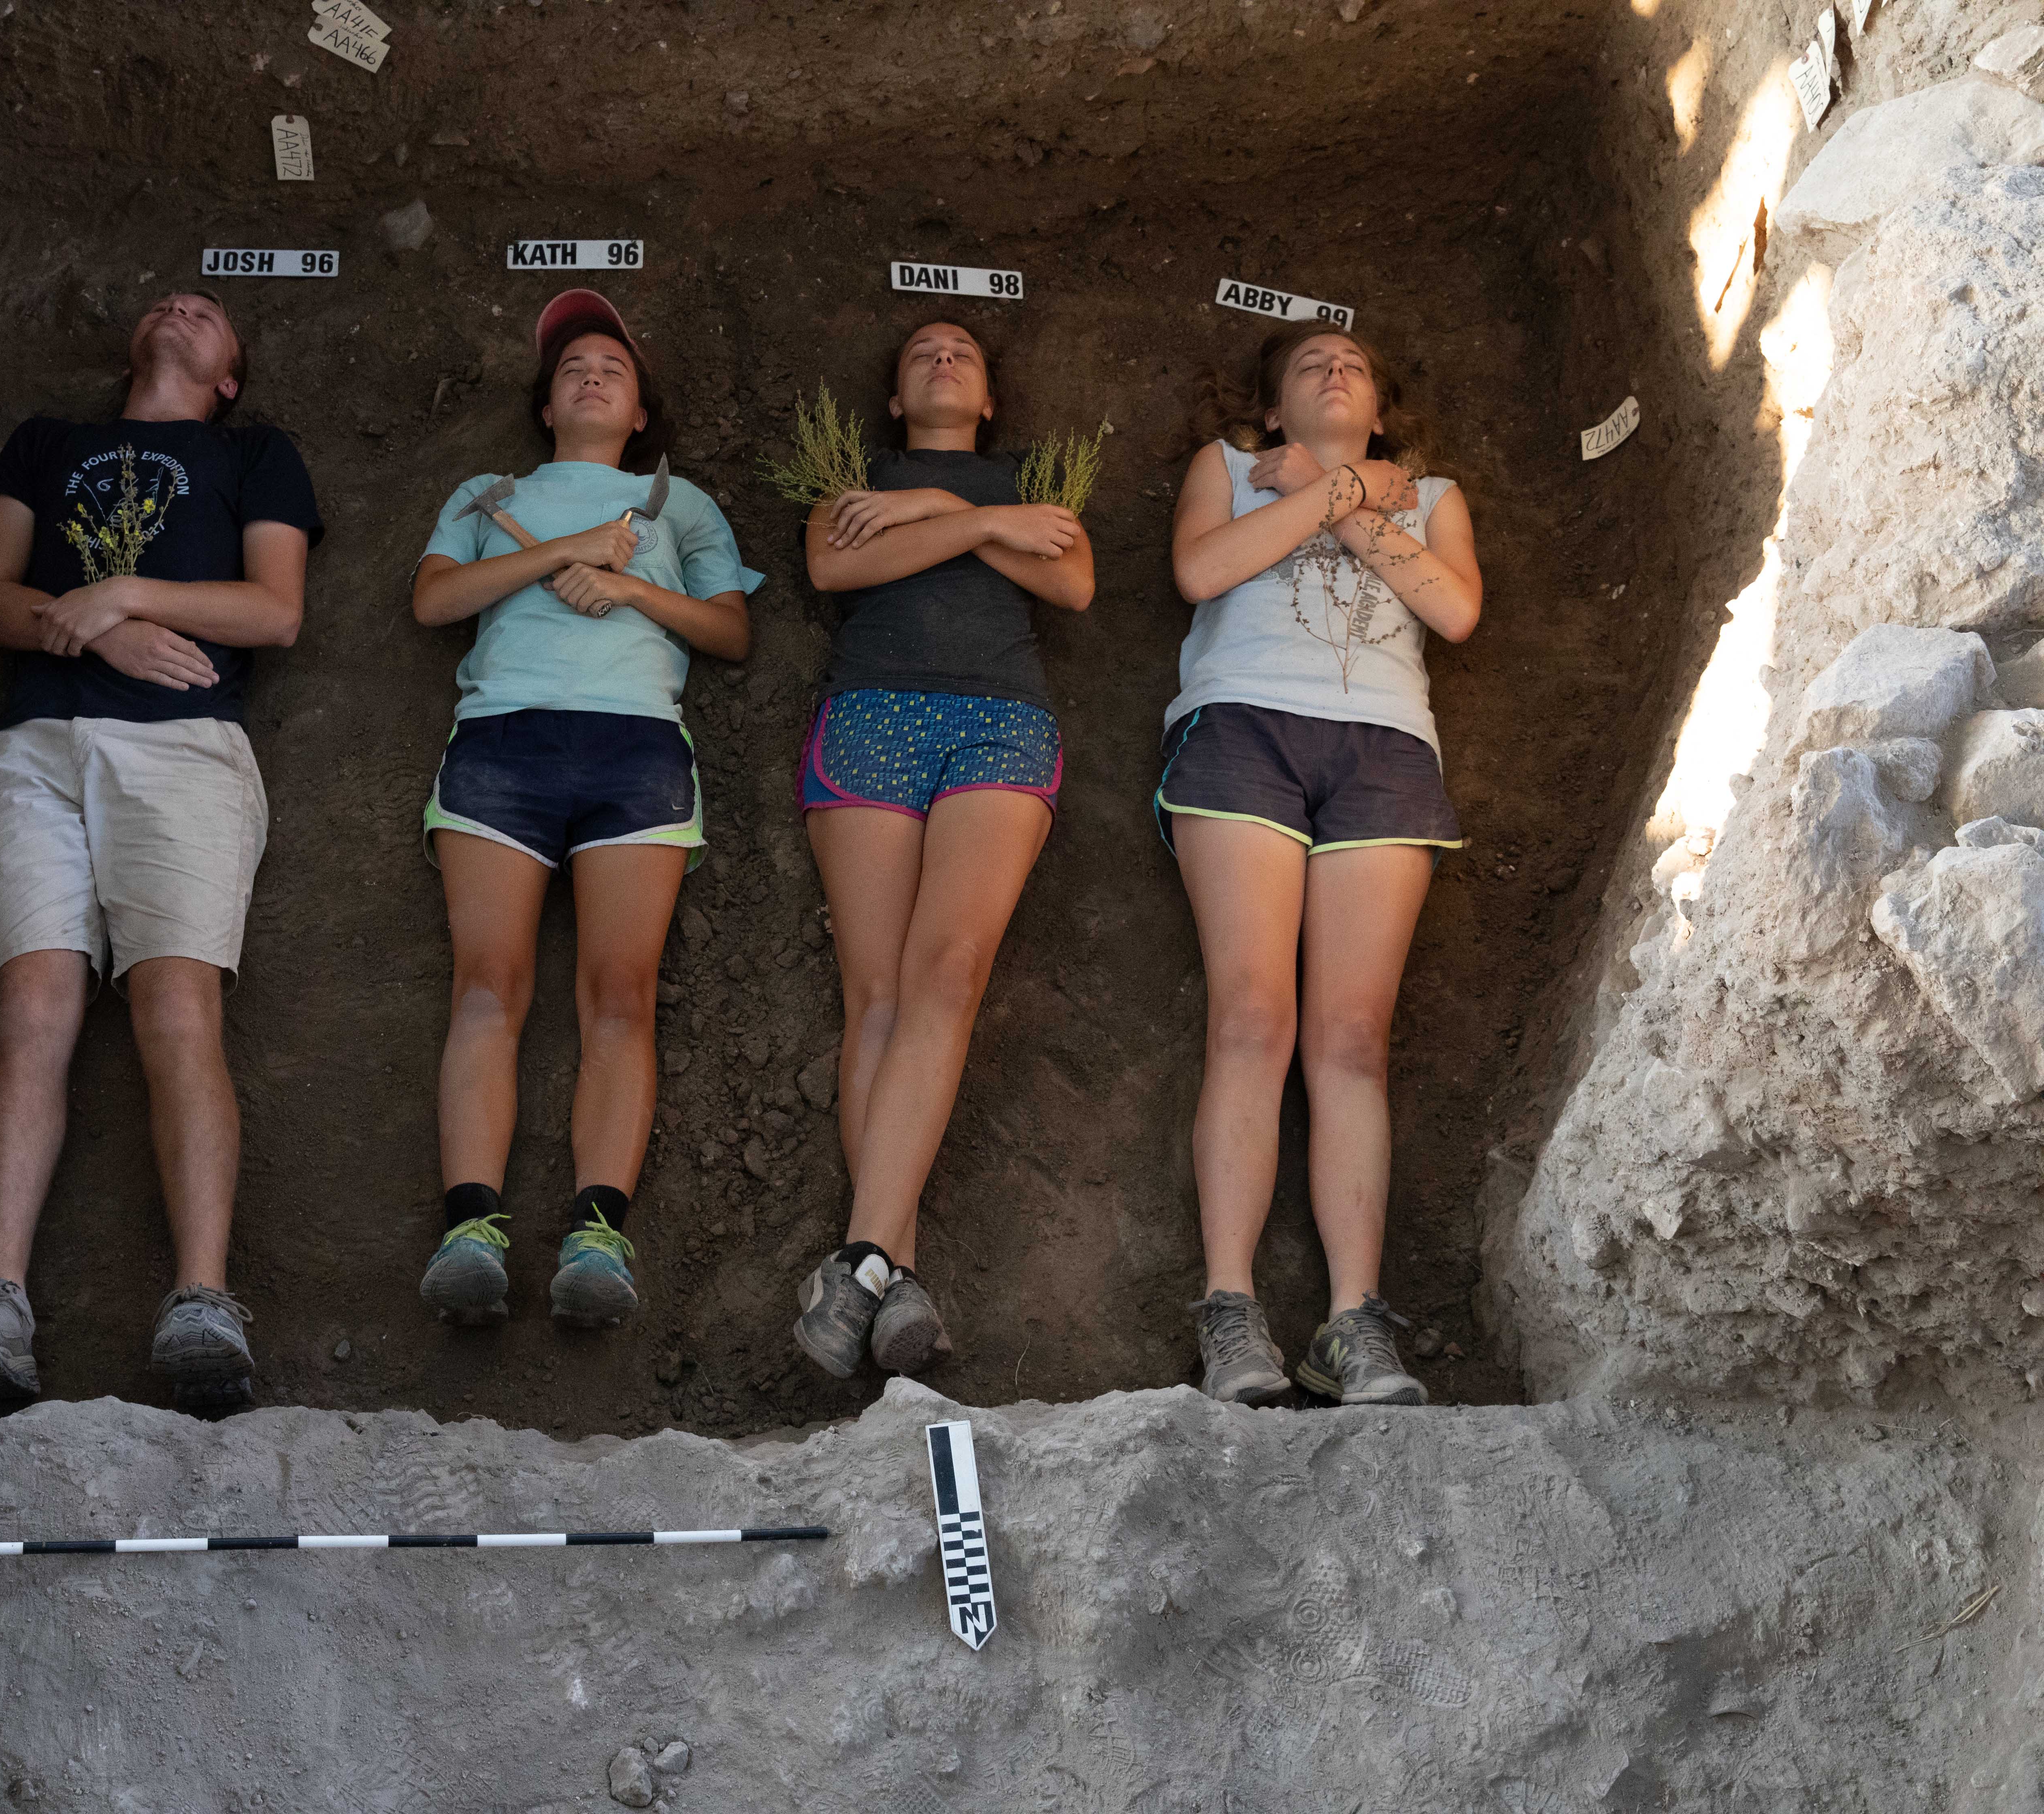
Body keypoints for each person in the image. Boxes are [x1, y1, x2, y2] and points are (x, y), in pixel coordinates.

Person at [0, 290, 322, 1410]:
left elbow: (275, 611)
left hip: (184, 748)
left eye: (214, 312)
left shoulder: (255, 453)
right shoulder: (50, 444)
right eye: (170, 299)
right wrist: (101, 631)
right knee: (35, 1006)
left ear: (231, 374)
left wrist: (122, 592)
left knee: (176, 1007)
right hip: (33, 744)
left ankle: (203, 1301)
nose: (184, 305)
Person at [409, 290, 758, 1329]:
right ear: (549, 405)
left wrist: (640, 589)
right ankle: (471, 1226)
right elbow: (435, 600)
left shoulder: (679, 505)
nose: (593, 374)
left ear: (640, 411)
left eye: (613, 365)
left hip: (636, 748)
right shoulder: (488, 492)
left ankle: (597, 1233)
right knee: (488, 987)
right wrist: (571, 558)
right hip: (503, 739)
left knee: (622, 992)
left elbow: (731, 633)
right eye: (572, 368)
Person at [1161, 323, 1482, 1408]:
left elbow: (1454, 607)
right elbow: (1202, 568)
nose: (1335, 369)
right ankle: (1230, 1310)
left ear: (1383, 411)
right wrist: (1337, 493)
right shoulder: (1228, 470)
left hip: (1387, 746)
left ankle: (1352, 1323)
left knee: (1352, 1039)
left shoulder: (1432, 494)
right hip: (1242, 727)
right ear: (1269, 410)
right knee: (1252, 1017)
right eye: (1310, 363)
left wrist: (1335, 492)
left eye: (1354, 364)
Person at [788, 320, 1095, 1380]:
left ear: (993, 399)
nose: (942, 356)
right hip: (870, 717)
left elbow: (1072, 583)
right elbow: (835, 562)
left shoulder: (1037, 478)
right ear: (892, 395)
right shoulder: (850, 473)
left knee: (948, 977)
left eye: (962, 349)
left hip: (1001, 723)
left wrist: (931, 514)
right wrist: (984, 525)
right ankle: (894, 1275)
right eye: (920, 348)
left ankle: (858, 1257)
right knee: (874, 997)